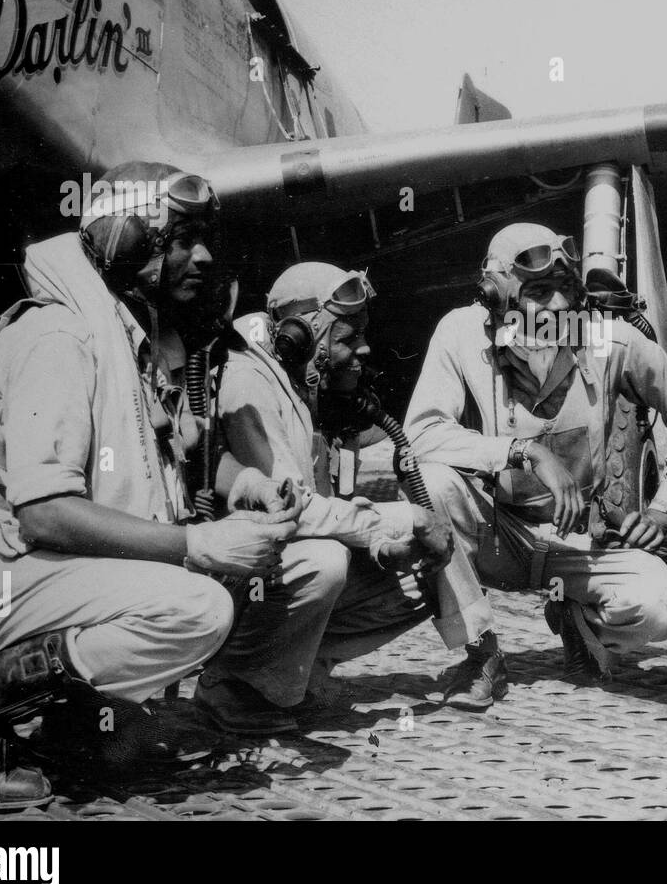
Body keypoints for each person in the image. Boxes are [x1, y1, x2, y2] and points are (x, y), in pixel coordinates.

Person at [0, 162, 297, 810]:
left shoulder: (121, 335)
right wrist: (198, 543)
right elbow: (46, 514)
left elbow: (170, 449)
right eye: (180, 237)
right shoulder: (63, 336)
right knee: (195, 606)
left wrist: (244, 482)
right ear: (127, 238)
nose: (202, 255)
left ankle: (71, 714)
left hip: (6, 559)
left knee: (202, 583)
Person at [405, 223, 667, 694]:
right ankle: (480, 652)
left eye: (566, 290)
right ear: (498, 297)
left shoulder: (611, 340)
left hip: (578, 541)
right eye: (540, 292)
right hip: (495, 534)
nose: (558, 306)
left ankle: (577, 618)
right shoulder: (459, 333)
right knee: (432, 482)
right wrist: (522, 451)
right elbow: (422, 434)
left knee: (658, 609)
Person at [200, 262, 474, 731]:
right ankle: (232, 685)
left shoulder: (298, 380)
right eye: (349, 337)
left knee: (426, 565)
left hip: (268, 571)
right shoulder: (248, 383)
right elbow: (294, 510)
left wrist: (391, 540)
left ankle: (285, 675)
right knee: (325, 560)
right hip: (230, 572)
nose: (364, 349)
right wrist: (403, 519)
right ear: (300, 337)